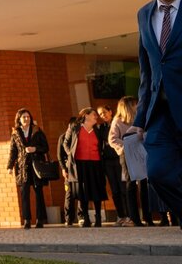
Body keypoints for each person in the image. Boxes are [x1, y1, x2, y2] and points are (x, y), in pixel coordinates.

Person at [129, 0, 182, 229]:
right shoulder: (144, 14)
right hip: (160, 115)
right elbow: (147, 71)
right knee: (158, 174)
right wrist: (139, 119)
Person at [63, 108, 107, 227]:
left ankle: (98, 218)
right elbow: (65, 143)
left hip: (96, 164)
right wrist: (71, 155)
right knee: (83, 192)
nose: (96, 117)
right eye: (94, 115)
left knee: (96, 190)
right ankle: (85, 218)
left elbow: (102, 145)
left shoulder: (98, 130)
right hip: (80, 165)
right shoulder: (74, 127)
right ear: (86, 115)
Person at [6, 108, 49, 228]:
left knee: (38, 192)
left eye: (28, 117)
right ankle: (27, 220)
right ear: (19, 119)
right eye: (24, 117)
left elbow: (45, 147)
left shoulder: (37, 130)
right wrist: (10, 166)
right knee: (24, 193)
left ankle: (40, 219)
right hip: (22, 167)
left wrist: (35, 149)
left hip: (36, 166)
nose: (27, 119)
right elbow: (13, 151)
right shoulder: (15, 133)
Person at [108, 96, 147, 227]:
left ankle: (148, 217)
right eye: (135, 104)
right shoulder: (117, 121)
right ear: (128, 106)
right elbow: (112, 139)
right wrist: (127, 145)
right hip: (126, 155)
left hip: (140, 154)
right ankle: (134, 218)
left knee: (144, 184)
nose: (137, 106)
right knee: (130, 185)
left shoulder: (138, 118)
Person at [96, 105, 126, 223]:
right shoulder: (101, 127)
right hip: (107, 160)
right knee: (114, 189)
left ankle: (129, 214)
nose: (103, 116)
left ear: (110, 111)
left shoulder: (117, 122)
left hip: (119, 157)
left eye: (104, 112)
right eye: (100, 114)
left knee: (123, 187)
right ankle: (120, 215)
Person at [57, 117, 80, 226]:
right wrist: (63, 169)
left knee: (81, 192)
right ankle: (68, 218)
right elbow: (59, 155)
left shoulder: (79, 136)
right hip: (68, 169)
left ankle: (81, 216)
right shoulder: (62, 138)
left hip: (79, 168)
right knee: (69, 193)